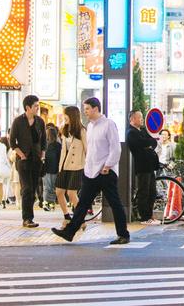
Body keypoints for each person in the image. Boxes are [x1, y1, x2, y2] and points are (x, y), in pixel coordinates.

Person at [51, 97, 130, 245]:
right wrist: (87, 167)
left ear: (95, 108)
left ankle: (123, 234)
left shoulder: (108, 124)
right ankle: (69, 232)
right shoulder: (91, 127)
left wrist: (108, 166)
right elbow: (90, 150)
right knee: (83, 204)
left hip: (106, 172)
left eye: (87, 108)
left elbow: (115, 148)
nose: (85, 112)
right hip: (90, 171)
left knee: (115, 203)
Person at [9, 95, 47, 227]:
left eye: (38, 106)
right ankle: (27, 218)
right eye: (36, 106)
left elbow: (43, 141)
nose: (38, 108)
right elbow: (12, 141)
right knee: (27, 189)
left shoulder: (40, 121)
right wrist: (21, 154)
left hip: (36, 160)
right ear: (28, 107)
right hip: (23, 161)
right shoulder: (18, 121)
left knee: (33, 189)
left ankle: (29, 215)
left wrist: (42, 155)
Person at [126, 110, 160, 223]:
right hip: (142, 165)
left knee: (152, 192)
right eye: (139, 117)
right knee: (143, 192)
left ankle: (149, 216)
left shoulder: (143, 130)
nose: (142, 119)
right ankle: (144, 217)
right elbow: (142, 144)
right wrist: (148, 144)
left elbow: (153, 142)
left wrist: (149, 144)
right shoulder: (131, 132)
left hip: (150, 165)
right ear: (132, 119)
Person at [55, 105, 86, 227]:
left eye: (66, 115)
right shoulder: (64, 129)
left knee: (72, 194)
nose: (64, 117)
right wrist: (60, 167)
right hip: (64, 165)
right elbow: (63, 150)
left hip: (77, 166)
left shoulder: (82, 131)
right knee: (59, 192)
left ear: (72, 115)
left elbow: (88, 149)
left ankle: (80, 219)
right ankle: (67, 217)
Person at [41, 125, 60, 212]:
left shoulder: (45, 145)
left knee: (46, 187)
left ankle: (45, 203)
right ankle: (51, 204)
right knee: (52, 187)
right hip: (55, 169)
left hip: (45, 169)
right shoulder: (58, 145)